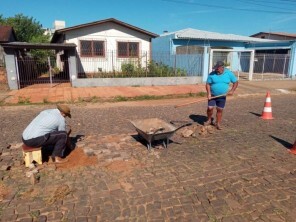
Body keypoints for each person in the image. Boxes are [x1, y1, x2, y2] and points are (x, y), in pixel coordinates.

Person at [205, 61, 238, 130]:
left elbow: (235, 82)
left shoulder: (228, 73)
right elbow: (208, 84)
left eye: (217, 68)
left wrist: (232, 90)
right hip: (213, 95)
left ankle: (218, 123)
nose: (216, 70)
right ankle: (209, 120)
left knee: (220, 109)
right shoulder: (211, 74)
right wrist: (208, 93)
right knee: (210, 108)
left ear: (222, 67)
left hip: (222, 96)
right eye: (215, 68)